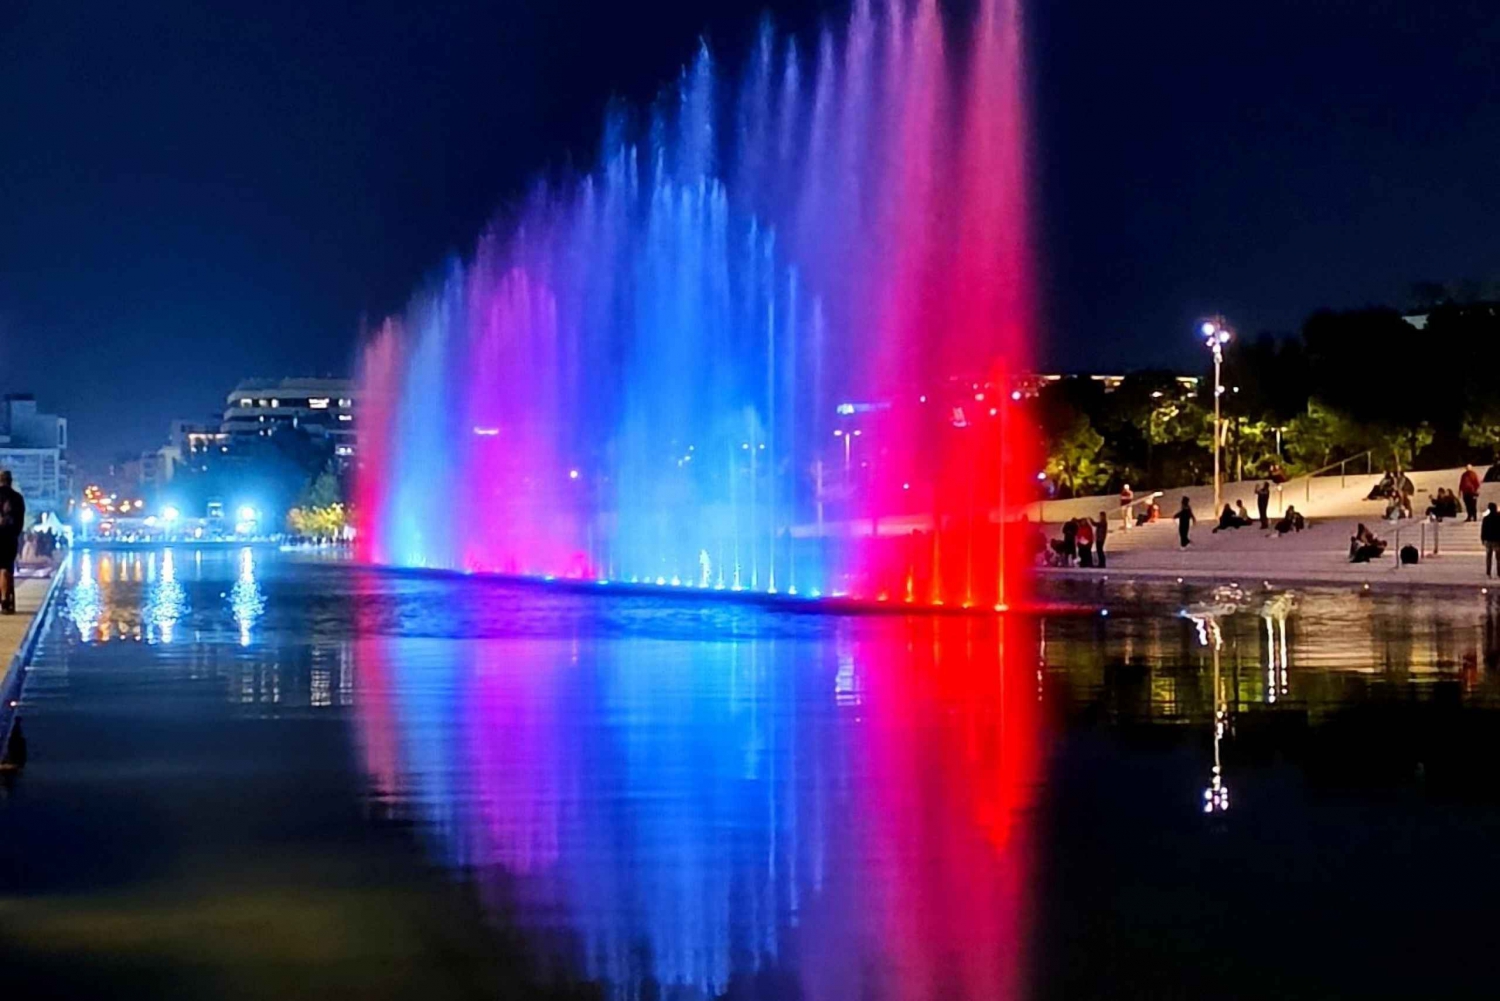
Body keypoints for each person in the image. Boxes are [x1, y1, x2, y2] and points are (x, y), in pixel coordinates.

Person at [0, 471, 24, 615]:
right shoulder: (17, 498)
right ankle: (5, 600)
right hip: (8, 537)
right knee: (6, 568)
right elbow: (19, 521)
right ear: (10, 481)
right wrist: (15, 533)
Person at [1484, 503, 1500, 578]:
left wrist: (1483, 539)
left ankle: (1488, 572)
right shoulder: (1499, 517)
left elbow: (1483, 530)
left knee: (1488, 557)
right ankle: (1499, 573)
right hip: (1497, 540)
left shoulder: (1486, 518)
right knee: (1498, 558)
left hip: (1488, 540)